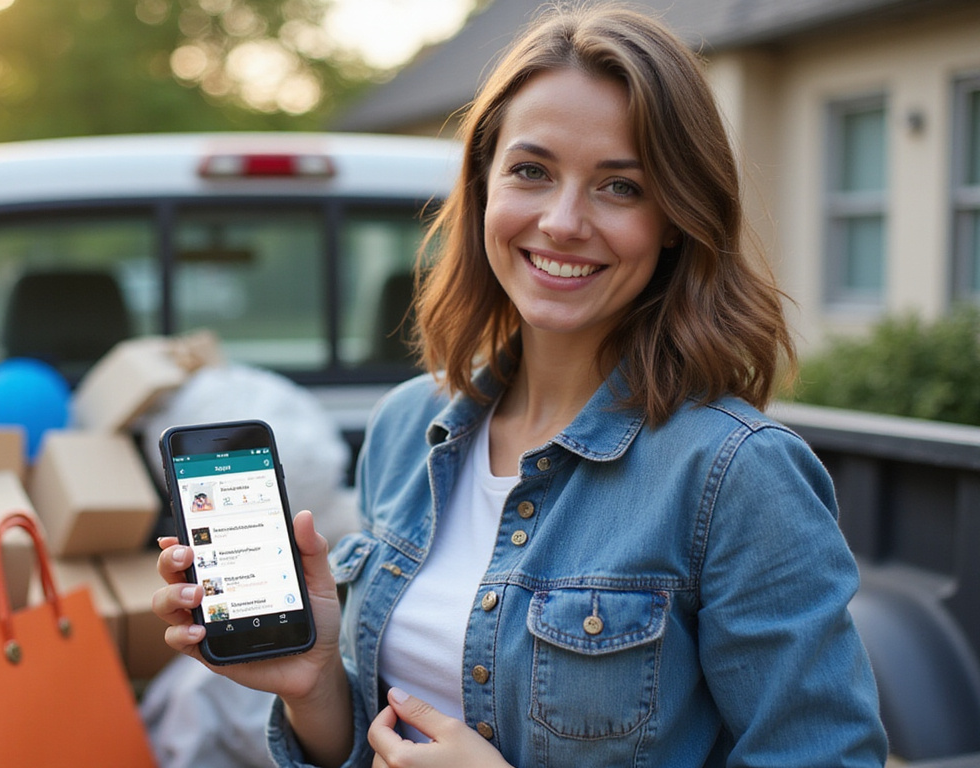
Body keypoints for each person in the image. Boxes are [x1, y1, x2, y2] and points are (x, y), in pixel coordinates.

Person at [153, 4, 890, 766]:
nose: (564, 221)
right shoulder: (408, 426)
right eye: (532, 172)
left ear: (675, 217)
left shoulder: (737, 475)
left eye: (621, 187)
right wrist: (313, 687)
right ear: (484, 185)